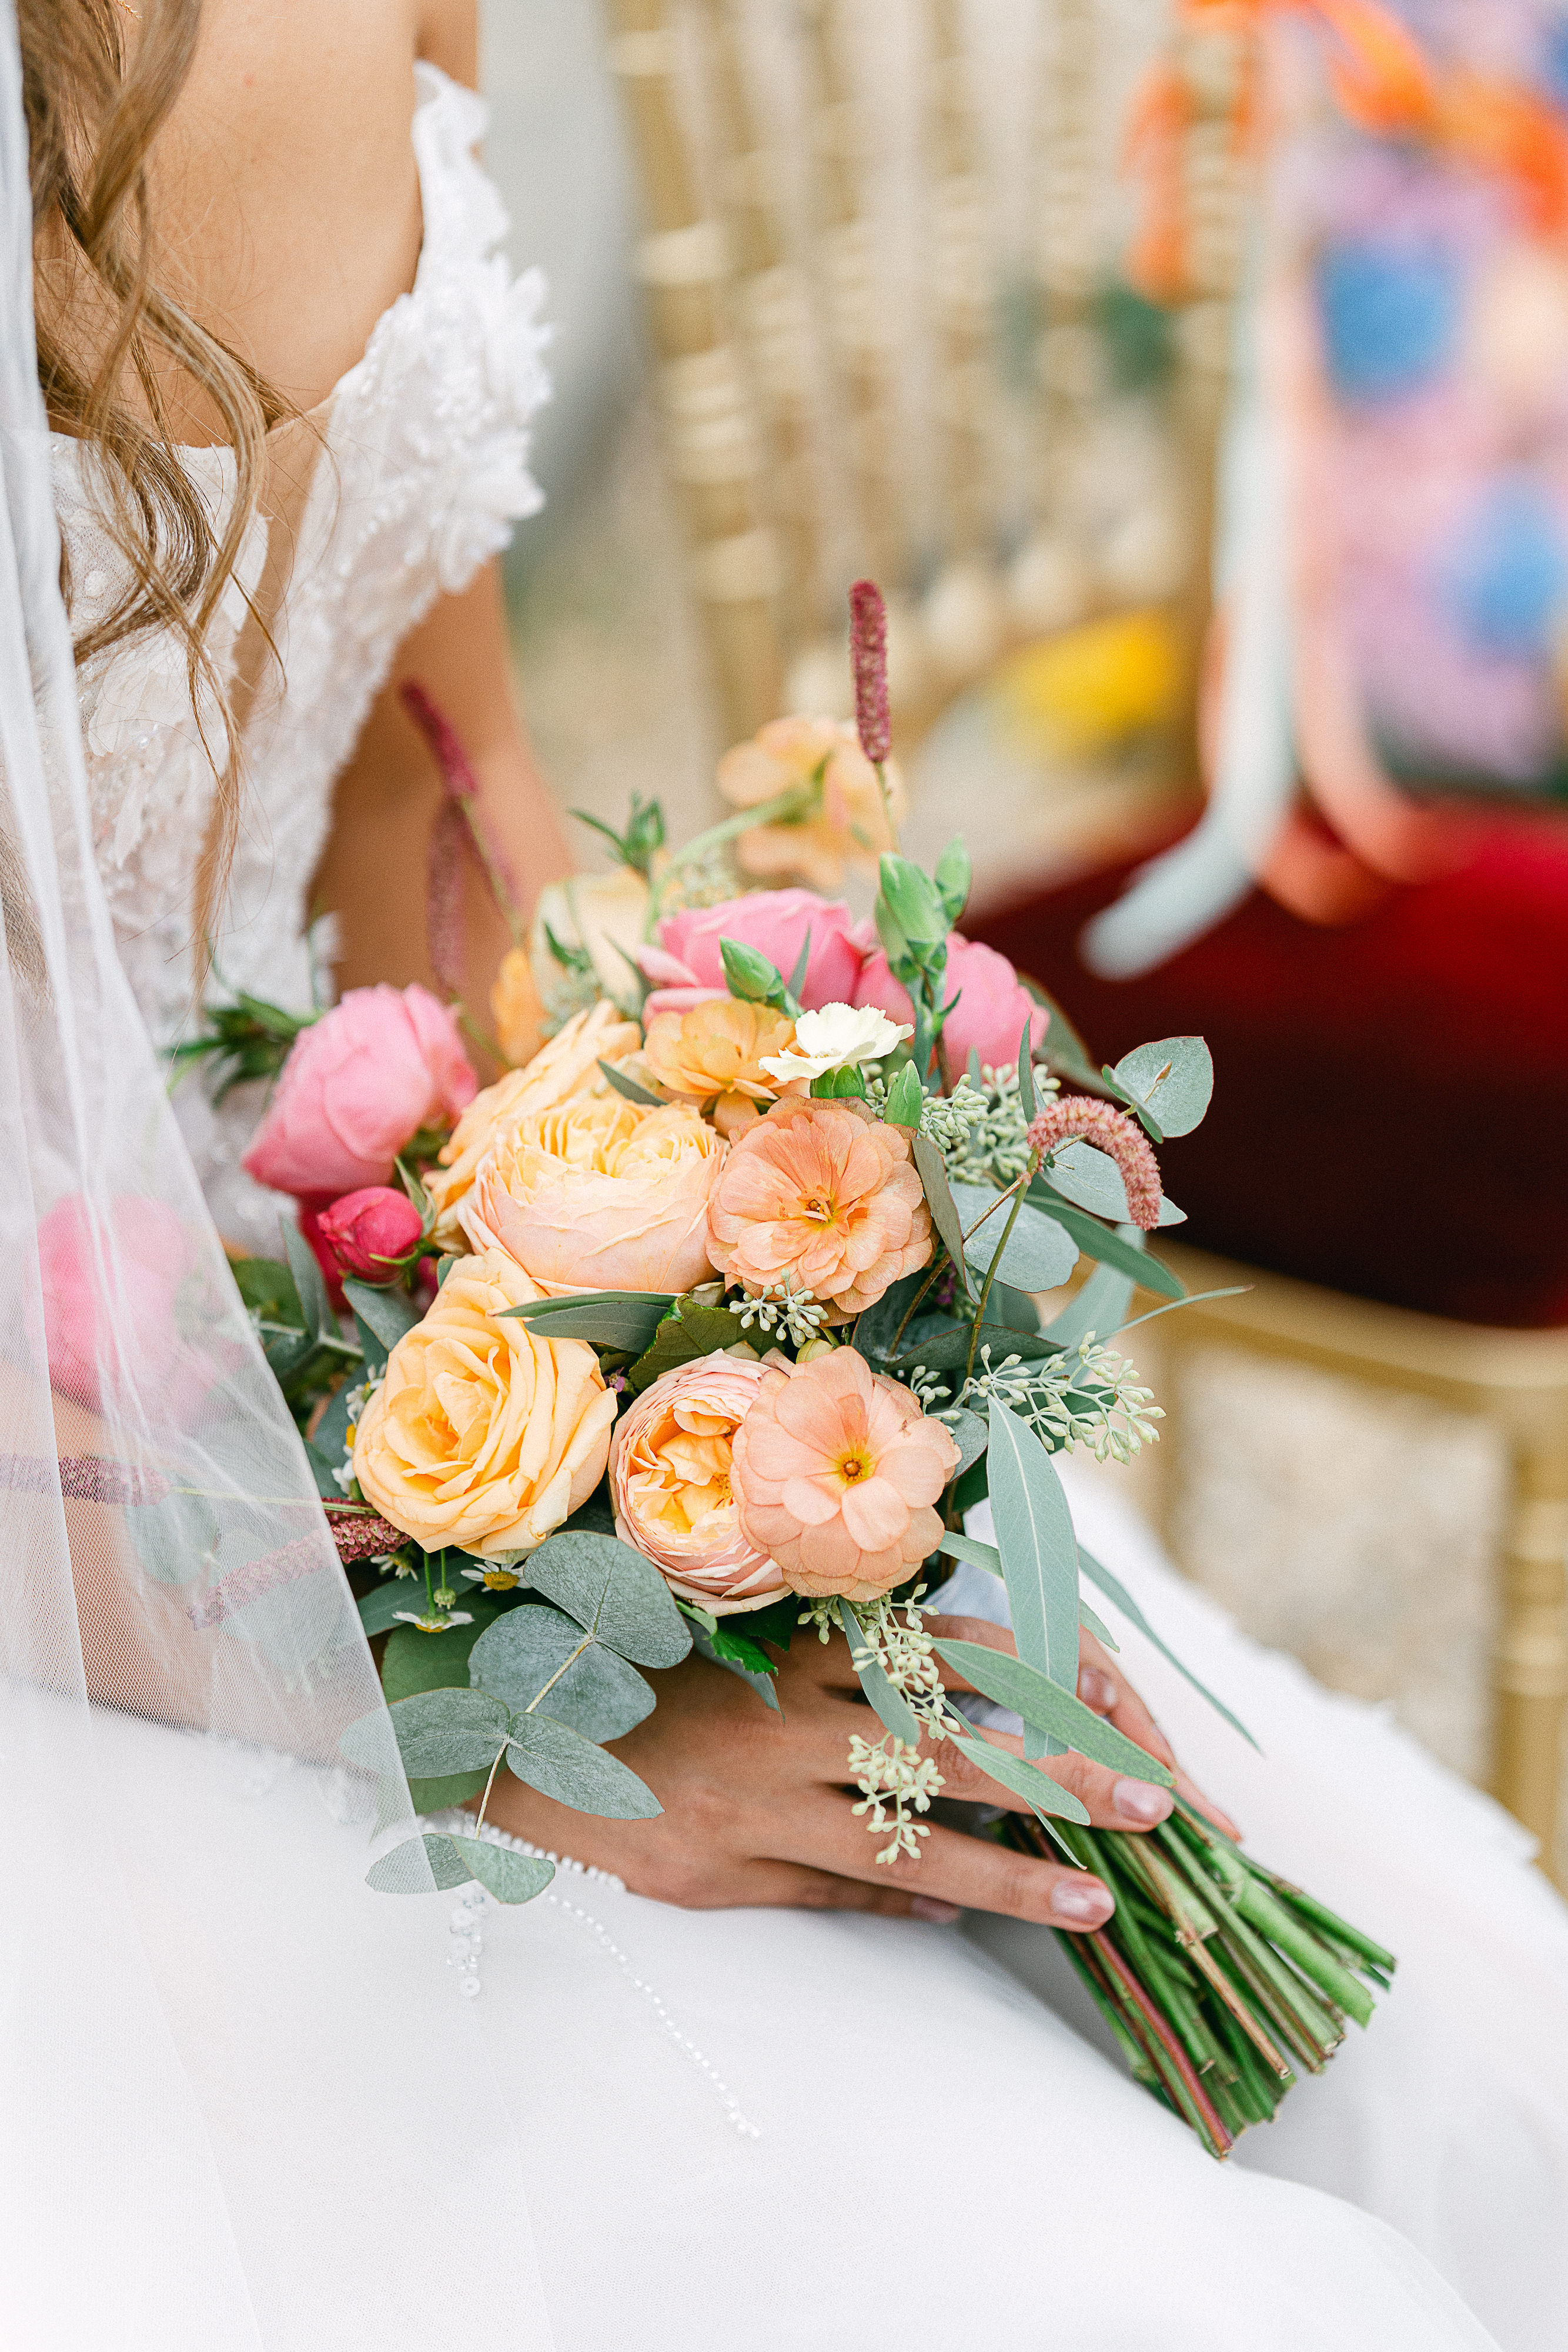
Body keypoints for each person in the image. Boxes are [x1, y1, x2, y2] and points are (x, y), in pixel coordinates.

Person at [9, 0, 1564, 2345]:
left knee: (1437, 2036)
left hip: (346, 1349)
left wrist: (762, 1284)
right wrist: (473, 1713)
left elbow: (437, 796)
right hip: (89, 1580)